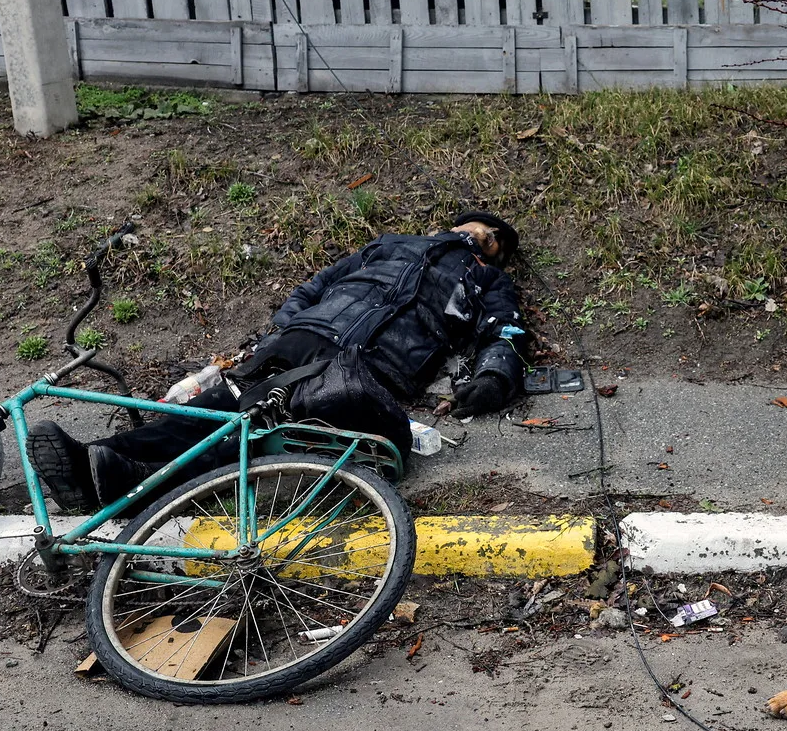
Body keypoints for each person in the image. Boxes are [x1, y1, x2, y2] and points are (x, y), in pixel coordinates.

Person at [27, 212, 527, 511]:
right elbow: (316, 285)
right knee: (214, 408)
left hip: (370, 364)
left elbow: (505, 331)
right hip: (303, 338)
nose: (483, 239)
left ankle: (127, 478)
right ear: (457, 224)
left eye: (492, 244)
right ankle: (92, 460)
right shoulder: (392, 245)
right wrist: (289, 323)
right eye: (481, 230)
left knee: (264, 431)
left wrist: (494, 375)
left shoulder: (487, 281)